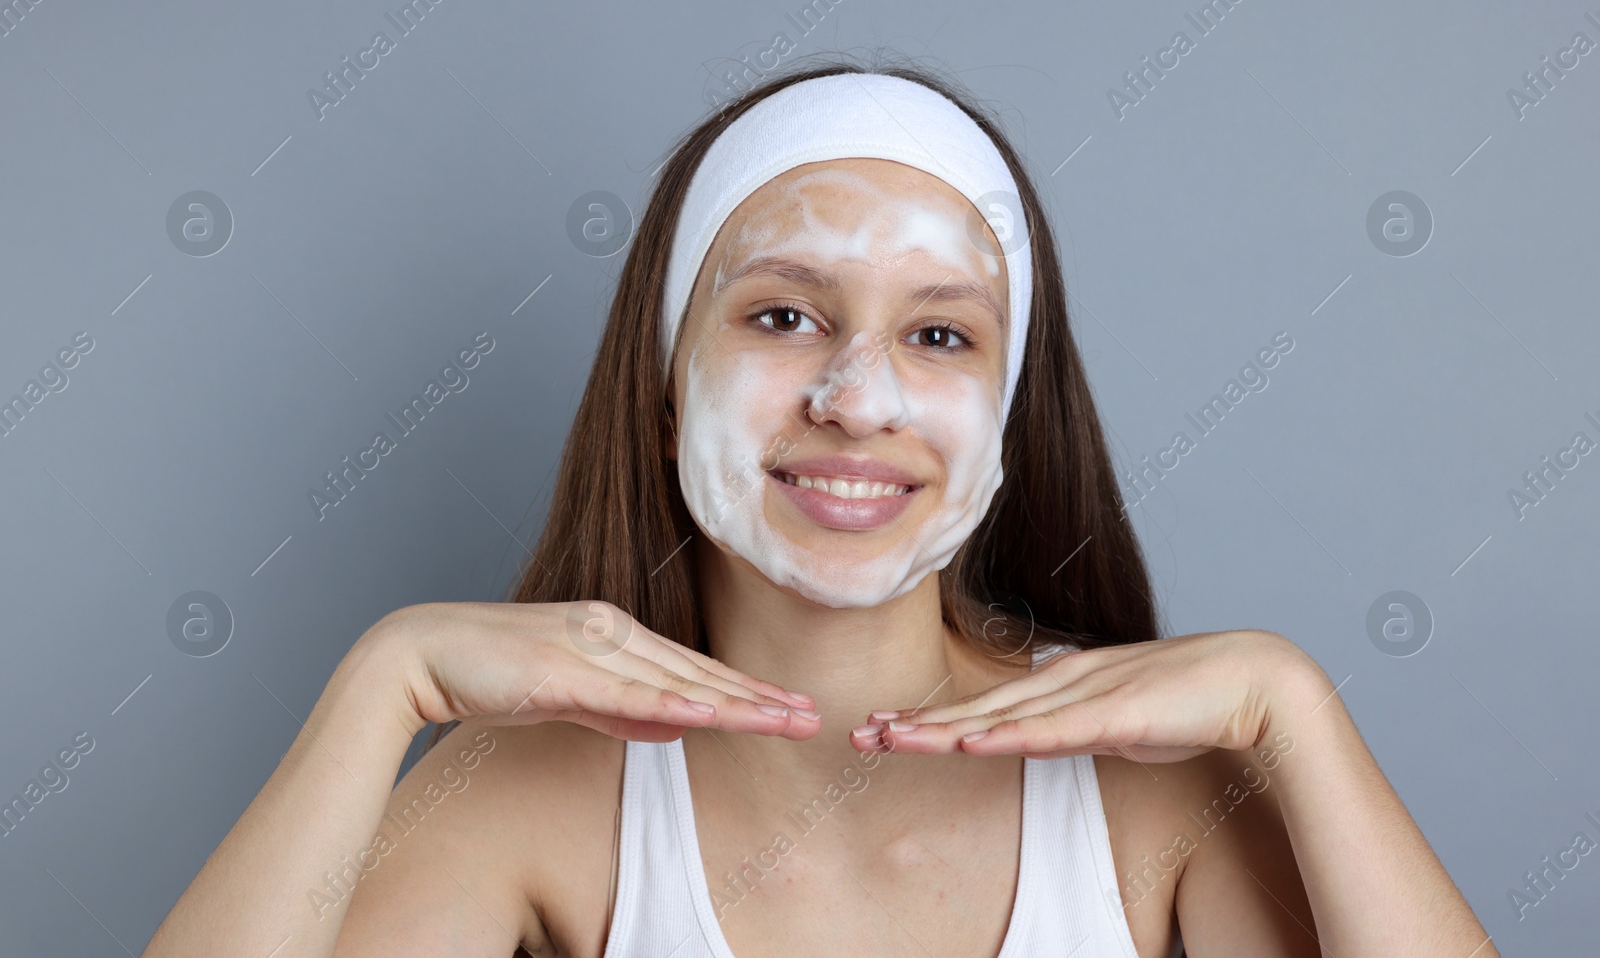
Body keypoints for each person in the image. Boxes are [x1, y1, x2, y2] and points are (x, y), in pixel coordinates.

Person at [143, 57, 1496, 958]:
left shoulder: (1150, 799)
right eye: (785, 316)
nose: (858, 399)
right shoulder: (534, 794)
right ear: (669, 388)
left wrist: (1295, 712)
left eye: (941, 338)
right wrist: (384, 682)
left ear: (1009, 422)